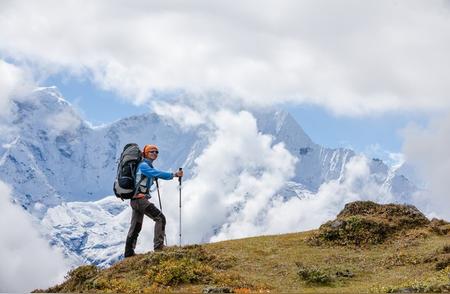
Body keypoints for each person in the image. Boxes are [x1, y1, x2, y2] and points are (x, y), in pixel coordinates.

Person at [124, 144, 183, 257]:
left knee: (136, 226)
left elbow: (154, 174)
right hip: (140, 200)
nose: (155, 153)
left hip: (136, 200)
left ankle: (128, 253)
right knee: (160, 218)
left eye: (156, 152)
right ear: (146, 153)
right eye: (152, 151)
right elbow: (158, 173)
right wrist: (174, 175)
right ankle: (159, 247)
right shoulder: (144, 166)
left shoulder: (147, 166)